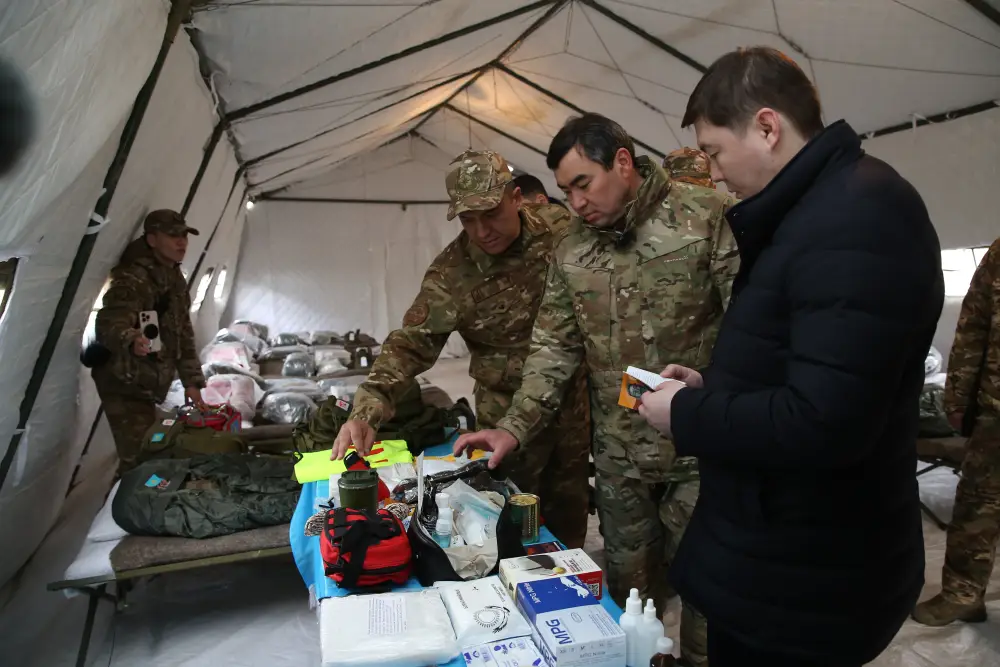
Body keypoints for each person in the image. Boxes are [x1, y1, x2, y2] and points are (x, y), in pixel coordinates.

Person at [635, 47, 943, 666]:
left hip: (811, 578)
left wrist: (690, 414)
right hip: (778, 559)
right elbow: (802, 358)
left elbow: (826, 422)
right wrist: (713, 383)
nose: (714, 174)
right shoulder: (815, 210)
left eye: (716, 151)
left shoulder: (859, 215)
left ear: (768, 128)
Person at [454, 115, 739, 667]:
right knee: (625, 597)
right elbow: (553, 352)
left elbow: (753, 333)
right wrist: (512, 428)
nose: (576, 203)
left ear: (624, 163)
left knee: (711, 592)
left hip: (703, 452)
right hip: (619, 460)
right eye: (565, 192)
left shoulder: (706, 219)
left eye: (583, 184)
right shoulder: (573, 251)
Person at [331, 149, 592, 549]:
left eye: (490, 213)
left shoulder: (560, 228)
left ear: (515, 197)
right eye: (468, 219)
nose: (482, 229)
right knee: (509, 528)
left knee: (568, 518)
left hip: (571, 406)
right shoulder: (451, 274)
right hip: (502, 416)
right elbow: (408, 346)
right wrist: (368, 408)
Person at [913, 237, 1000, 626]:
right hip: (996, 412)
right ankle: (963, 593)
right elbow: (973, 324)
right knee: (978, 504)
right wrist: (959, 398)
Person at [93, 210, 207, 474]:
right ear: (153, 240)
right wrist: (132, 338)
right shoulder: (133, 278)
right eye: (173, 236)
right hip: (123, 381)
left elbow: (183, 332)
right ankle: (124, 510)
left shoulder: (172, 276)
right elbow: (109, 322)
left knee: (150, 451)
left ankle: (133, 503)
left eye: (184, 236)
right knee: (139, 459)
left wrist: (192, 382)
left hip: (145, 380)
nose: (182, 242)